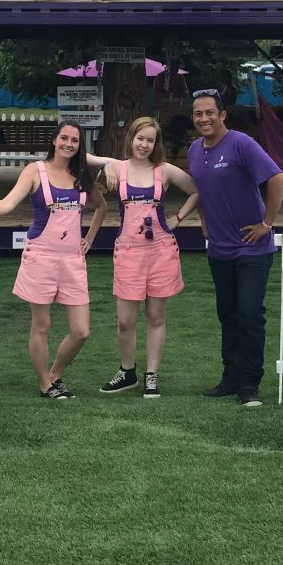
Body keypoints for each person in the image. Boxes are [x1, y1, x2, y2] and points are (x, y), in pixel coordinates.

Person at [0, 122, 107, 400]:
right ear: (54, 140)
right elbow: (9, 204)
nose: (69, 144)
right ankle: (45, 385)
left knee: (81, 331)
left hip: (72, 260)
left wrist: (89, 239)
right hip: (40, 256)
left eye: (75, 140)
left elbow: (101, 207)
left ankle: (55, 374)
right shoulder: (36, 171)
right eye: (64, 138)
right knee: (41, 325)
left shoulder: (82, 175)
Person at [187, 89, 283, 407]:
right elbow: (199, 188)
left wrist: (267, 223)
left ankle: (249, 385)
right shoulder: (194, 150)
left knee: (249, 314)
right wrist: (203, 218)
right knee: (227, 314)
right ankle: (230, 379)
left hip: (251, 248)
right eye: (198, 114)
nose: (204, 118)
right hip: (219, 249)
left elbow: (277, 177)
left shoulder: (241, 143)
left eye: (209, 113)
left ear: (222, 115)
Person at [88, 118, 199, 399]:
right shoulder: (118, 167)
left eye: (150, 140)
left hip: (161, 251)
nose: (144, 145)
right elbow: (82, 157)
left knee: (155, 317)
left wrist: (177, 218)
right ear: (131, 138)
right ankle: (127, 372)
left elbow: (197, 190)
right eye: (140, 138)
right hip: (128, 252)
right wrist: (105, 166)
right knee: (125, 321)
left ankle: (151, 375)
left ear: (156, 144)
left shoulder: (165, 170)